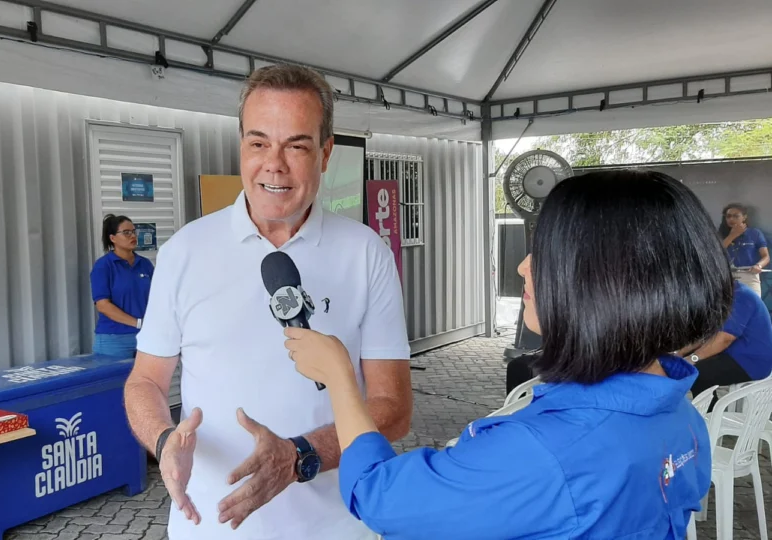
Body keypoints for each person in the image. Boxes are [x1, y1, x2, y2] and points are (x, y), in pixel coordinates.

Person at [285, 170, 730, 539]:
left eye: (547, 253)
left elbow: (377, 496)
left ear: (604, 283)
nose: (523, 266)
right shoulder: (681, 417)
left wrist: (341, 378)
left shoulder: (542, 453)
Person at [123, 64, 413, 540]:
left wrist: (300, 455)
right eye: (259, 143)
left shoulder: (366, 253)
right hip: (210, 530)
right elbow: (145, 381)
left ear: (325, 153)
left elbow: (393, 407)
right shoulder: (184, 252)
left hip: (336, 529)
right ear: (241, 144)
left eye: (296, 146)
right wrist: (164, 439)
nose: (274, 164)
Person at [683, 280, 772, 404]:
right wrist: (679, 353)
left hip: (752, 362)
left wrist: (692, 358)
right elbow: (706, 336)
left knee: (696, 373)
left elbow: (724, 339)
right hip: (734, 354)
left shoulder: (741, 296)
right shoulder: (721, 295)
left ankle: (709, 412)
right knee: (683, 364)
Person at [90, 214, 154, 357]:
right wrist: (137, 323)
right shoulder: (103, 266)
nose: (133, 236)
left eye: (134, 231)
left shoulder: (145, 264)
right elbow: (103, 305)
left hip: (145, 337)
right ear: (112, 238)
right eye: (126, 233)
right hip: (114, 340)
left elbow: (157, 297)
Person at [720, 202, 769, 296]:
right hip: (728, 276)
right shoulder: (721, 234)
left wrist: (758, 266)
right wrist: (732, 235)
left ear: (744, 217)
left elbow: (766, 256)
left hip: (750, 275)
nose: (731, 219)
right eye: (728, 216)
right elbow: (717, 252)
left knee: (753, 303)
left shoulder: (755, 233)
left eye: (736, 216)